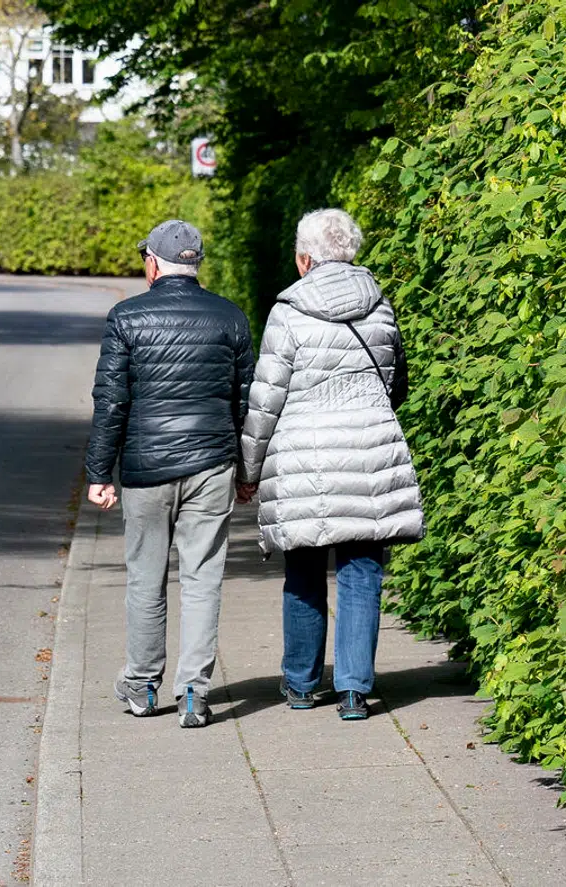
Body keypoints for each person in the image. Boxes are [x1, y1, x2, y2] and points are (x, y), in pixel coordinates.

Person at [238, 208, 424, 721]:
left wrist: (248, 469)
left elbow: (265, 399)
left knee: (302, 565)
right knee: (362, 570)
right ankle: (353, 691)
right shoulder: (381, 306)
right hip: (370, 449)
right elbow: (396, 385)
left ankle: (299, 684)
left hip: (304, 457)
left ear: (304, 259)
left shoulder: (289, 310)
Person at [85, 219, 255, 729]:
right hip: (211, 464)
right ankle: (193, 693)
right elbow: (247, 402)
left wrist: (99, 471)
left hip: (145, 467)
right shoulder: (230, 318)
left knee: (145, 577)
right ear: (195, 263)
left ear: (153, 263)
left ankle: (141, 684)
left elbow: (111, 401)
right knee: (203, 579)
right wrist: (247, 470)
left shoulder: (126, 318)